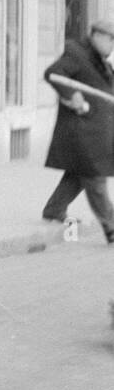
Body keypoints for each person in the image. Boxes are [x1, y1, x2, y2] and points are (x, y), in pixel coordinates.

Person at [41, 17, 114, 242]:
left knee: (78, 174)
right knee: (94, 175)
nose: (112, 46)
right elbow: (52, 73)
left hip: (95, 130)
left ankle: (54, 209)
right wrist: (72, 95)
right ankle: (111, 227)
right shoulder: (77, 54)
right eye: (111, 40)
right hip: (81, 130)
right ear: (98, 36)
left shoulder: (101, 62)